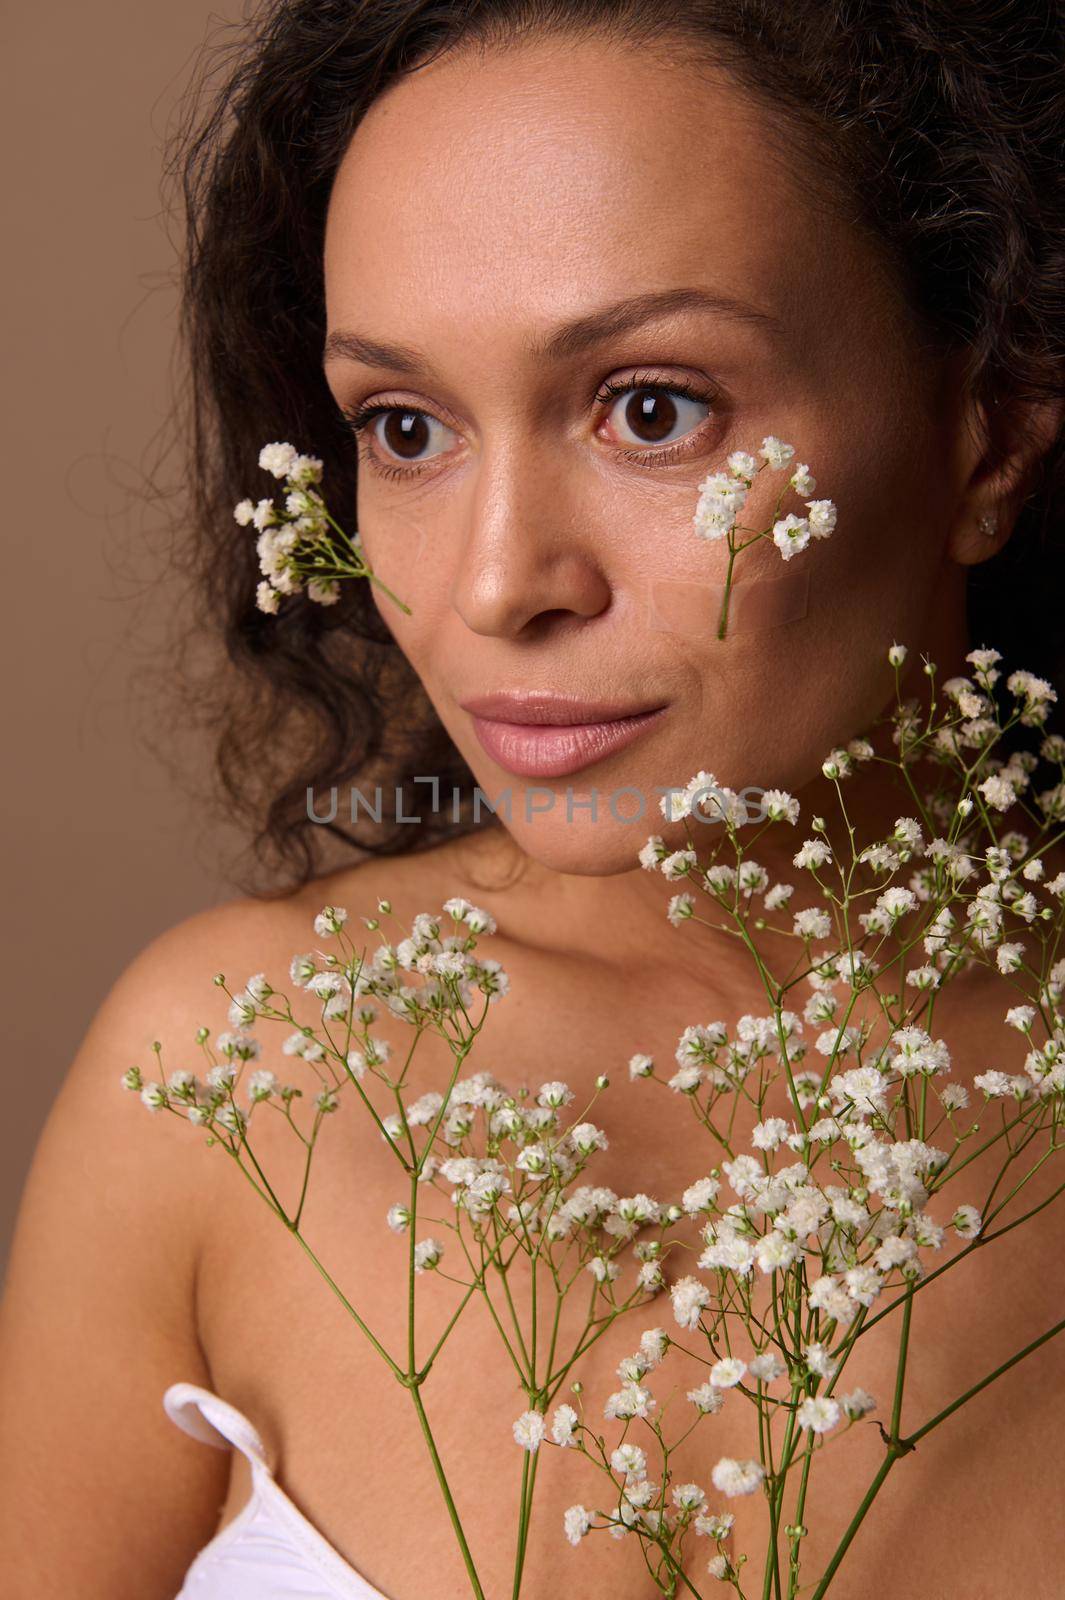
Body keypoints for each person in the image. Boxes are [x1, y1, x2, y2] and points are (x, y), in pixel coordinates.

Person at [2, 3, 1063, 1596]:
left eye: (651, 409)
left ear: (984, 428)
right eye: (405, 429)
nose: (497, 585)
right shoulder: (240, 1073)